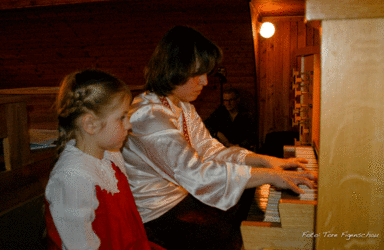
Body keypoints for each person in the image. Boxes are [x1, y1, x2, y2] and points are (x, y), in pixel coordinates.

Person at [122, 26, 316, 250]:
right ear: (175, 69)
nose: (205, 81)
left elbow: (212, 151)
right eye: (198, 74)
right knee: (234, 234)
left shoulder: (183, 107)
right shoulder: (149, 116)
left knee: (245, 204)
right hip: (155, 215)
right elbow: (197, 175)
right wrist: (270, 175)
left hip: (181, 200)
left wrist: (264, 161)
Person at [44, 69, 165, 250]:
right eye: (122, 117)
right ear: (90, 124)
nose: (129, 125)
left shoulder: (110, 155)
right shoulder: (73, 178)